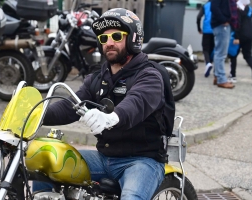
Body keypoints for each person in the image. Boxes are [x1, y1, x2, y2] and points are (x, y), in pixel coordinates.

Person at [33, 8, 175, 200]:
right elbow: (71, 105)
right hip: (103, 158)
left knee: (132, 197)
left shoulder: (149, 75)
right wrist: (34, 115)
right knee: (46, 162)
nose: (109, 43)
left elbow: (137, 102)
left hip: (142, 160)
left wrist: (111, 118)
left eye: (116, 36)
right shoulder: (99, 78)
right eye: (103, 38)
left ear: (133, 38)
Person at [228, 4, 252, 84]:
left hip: (240, 35)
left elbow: (237, 23)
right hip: (249, 35)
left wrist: (236, 37)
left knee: (233, 55)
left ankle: (233, 76)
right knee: (247, 55)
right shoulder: (249, 9)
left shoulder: (237, 10)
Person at [211, 0, 239, 89]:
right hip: (222, 25)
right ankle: (222, 79)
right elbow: (214, 7)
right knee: (221, 54)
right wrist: (224, 20)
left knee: (219, 52)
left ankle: (217, 76)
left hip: (222, 25)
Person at [197, 0, 215, 77]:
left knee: (205, 49)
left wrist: (199, 28)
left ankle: (208, 63)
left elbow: (198, 17)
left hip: (206, 30)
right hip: (216, 29)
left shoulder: (205, 6)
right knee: (212, 49)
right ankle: (210, 63)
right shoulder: (217, 4)